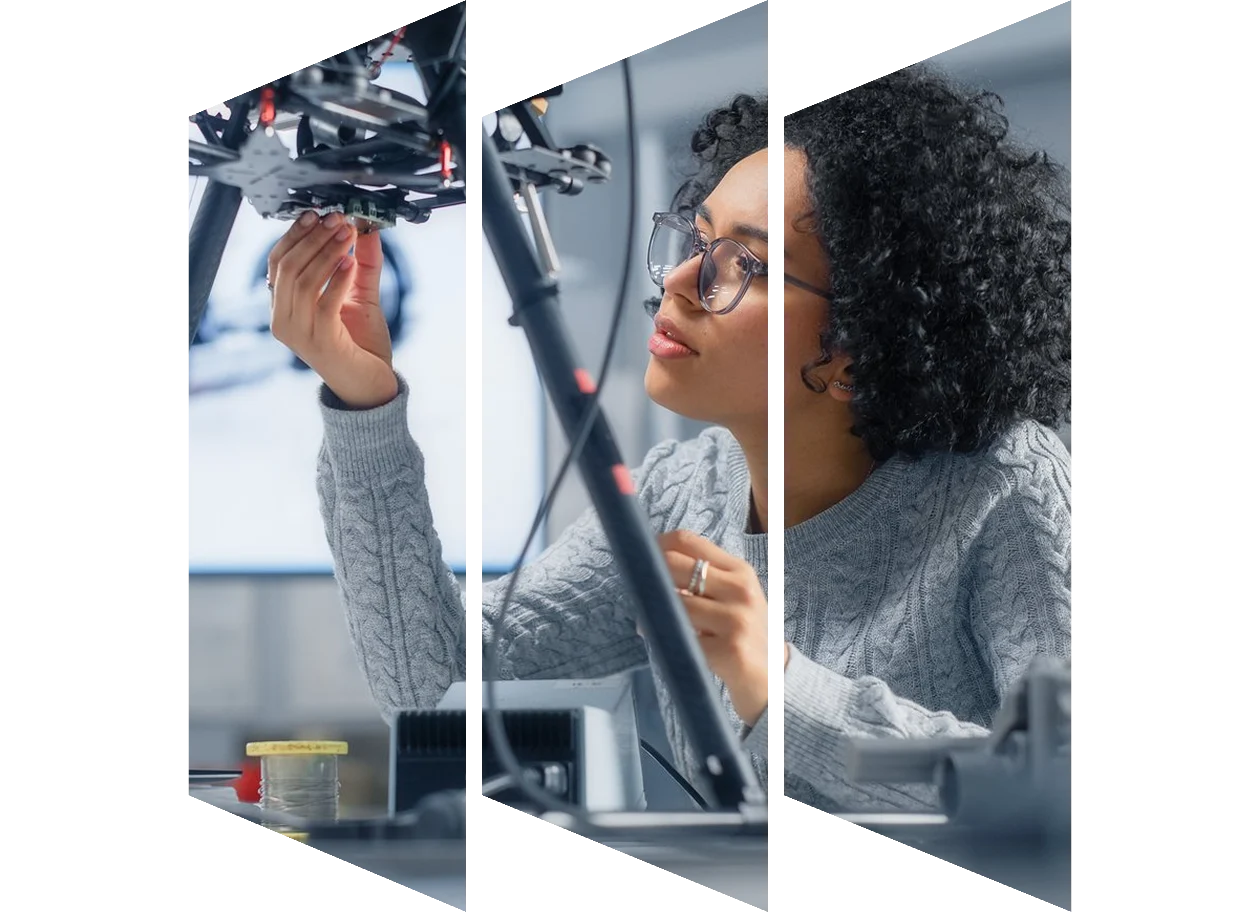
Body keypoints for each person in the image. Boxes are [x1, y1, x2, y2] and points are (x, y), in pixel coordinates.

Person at [268, 65, 1072, 814]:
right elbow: (430, 677)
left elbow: (1056, 779)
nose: (680, 282)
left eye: (742, 265)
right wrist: (364, 398)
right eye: (697, 241)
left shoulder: (1006, 487)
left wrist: (782, 688)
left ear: (859, 347)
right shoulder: (683, 494)